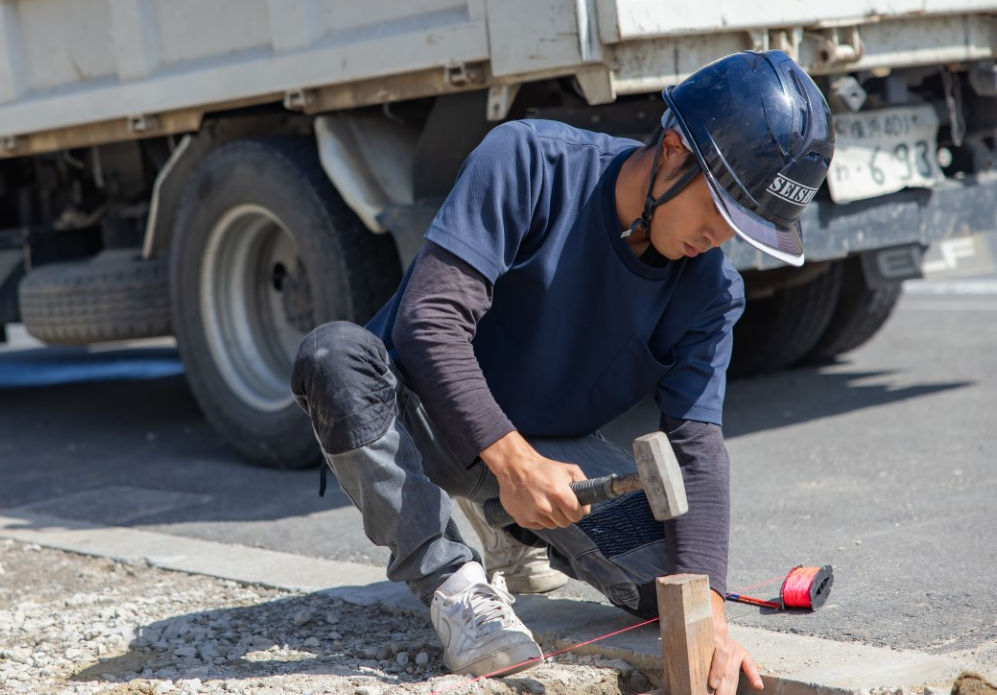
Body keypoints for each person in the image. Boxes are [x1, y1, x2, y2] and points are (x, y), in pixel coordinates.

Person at [291, 50, 834, 691]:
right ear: (671, 152)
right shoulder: (529, 162)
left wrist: (707, 608)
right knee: (333, 355)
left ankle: (510, 531)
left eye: (745, 227)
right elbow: (429, 323)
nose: (720, 236)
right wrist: (514, 464)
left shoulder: (712, 294)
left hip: (549, 450)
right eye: (720, 209)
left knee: (655, 592)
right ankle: (453, 582)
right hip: (421, 415)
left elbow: (696, 446)